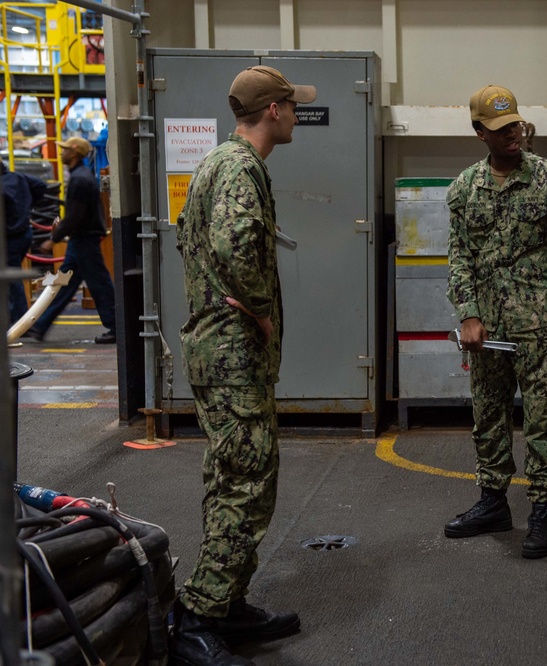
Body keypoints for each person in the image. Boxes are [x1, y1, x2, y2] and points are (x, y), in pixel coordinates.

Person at [170, 65, 316, 666]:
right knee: (248, 480)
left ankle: (226, 604)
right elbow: (231, 246)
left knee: (231, 473)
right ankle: (199, 617)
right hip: (232, 355)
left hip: (217, 351)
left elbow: (189, 240)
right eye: (292, 104)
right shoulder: (238, 167)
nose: (297, 113)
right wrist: (258, 311)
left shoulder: (215, 163)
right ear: (274, 112)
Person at [445, 84, 547, 559]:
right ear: (479, 133)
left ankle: (543, 511)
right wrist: (468, 314)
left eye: (515, 123)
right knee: (487, 417)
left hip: (540, 325)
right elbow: (459, 258)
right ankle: (493, 502)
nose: (512, 133)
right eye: (499, 128)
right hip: (487, 332)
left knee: (541, 422)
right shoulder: (462, 189)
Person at [24, 136, 116, 343]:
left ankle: (117, 327)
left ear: (74, 153)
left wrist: (53, 239)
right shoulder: (81, 176)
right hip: (81, 242)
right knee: (64, 285)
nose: (61, 152)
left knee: (100, 285)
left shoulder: (80, 179)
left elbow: (75, 215)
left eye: (65, 150)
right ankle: (40, 327)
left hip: (84, 241)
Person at [2, 160, 48, 324]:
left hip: (9, 238)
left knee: (11, 278)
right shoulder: (18, 178)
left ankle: (21, 321)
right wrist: (27, 206)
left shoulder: (3, 186)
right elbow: (41, 186)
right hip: (24, 233)